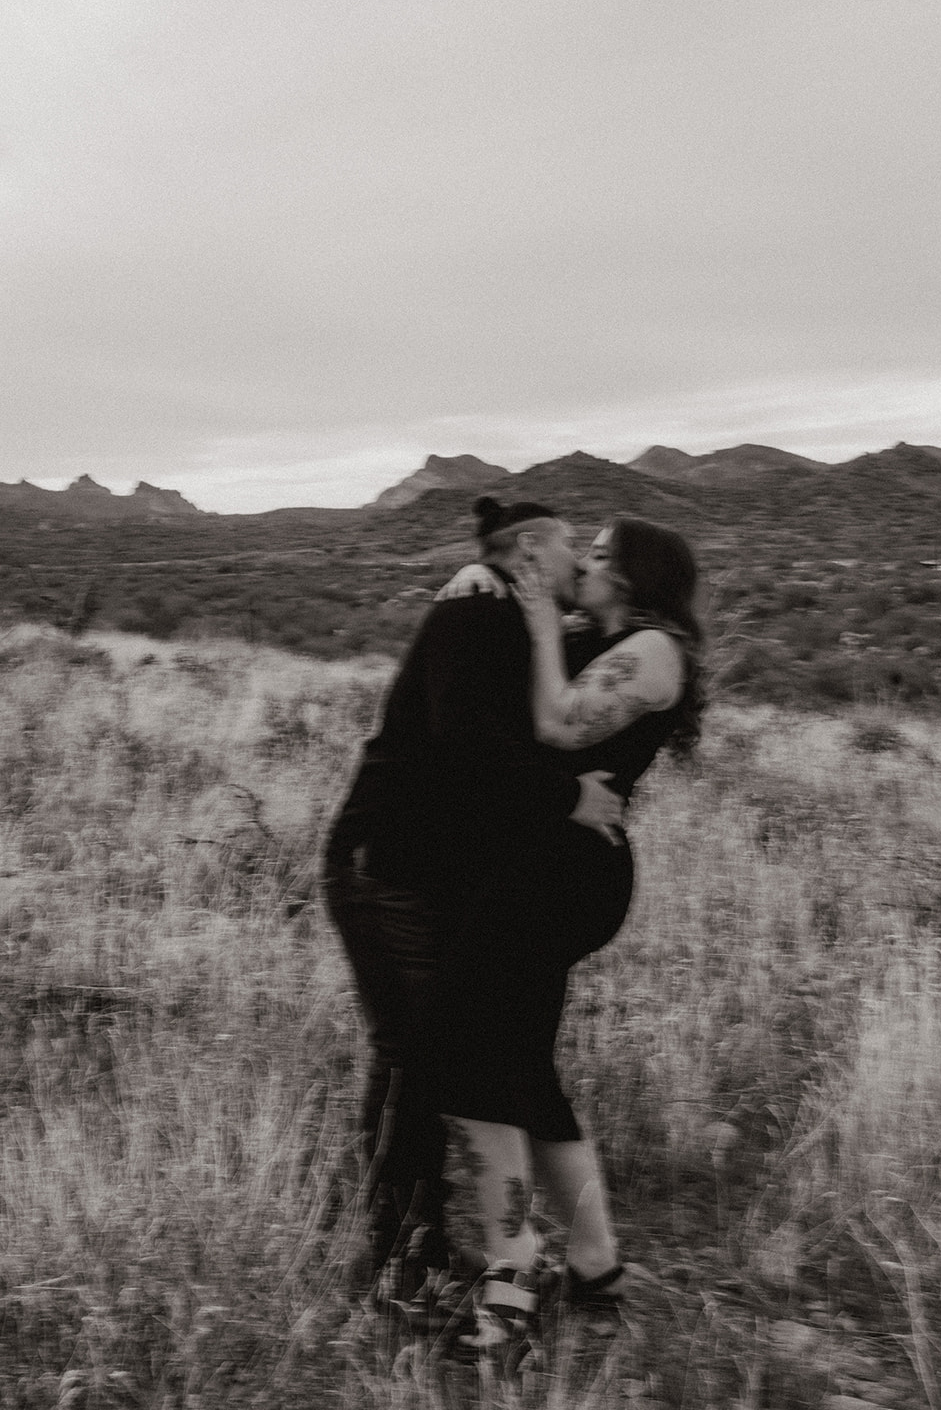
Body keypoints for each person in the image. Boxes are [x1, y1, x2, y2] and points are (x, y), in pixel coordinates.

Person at [321, 500, 626, 1305]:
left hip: (422, 873)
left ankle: (408, 1244)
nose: (576, 561)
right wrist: (565, 796)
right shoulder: (474, 610)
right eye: (567, 544)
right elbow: (462, 738)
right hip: (382, 865)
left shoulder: (508, 614)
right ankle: (395, 1256)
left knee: (426, 1055)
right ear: (528, 548)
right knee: (414, 1056)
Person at [430, 512, 705, 1368]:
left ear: (628, 575)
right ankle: (594, 1268)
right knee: (522, 1072)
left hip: (560, 880)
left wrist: (545, 624)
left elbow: (556, 727)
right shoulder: (597, 633)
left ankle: (508, 1283)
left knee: (470, 1065)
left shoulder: (655, 652)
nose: (579, 562)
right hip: (533, 868)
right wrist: (474, 589)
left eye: (595, 553)